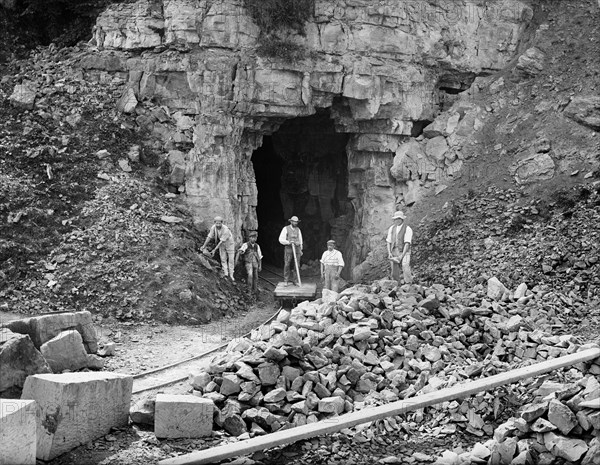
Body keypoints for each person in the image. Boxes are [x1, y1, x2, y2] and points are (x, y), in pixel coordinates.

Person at [201, 216, 236, 281]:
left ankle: (231, 275)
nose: (218, 225)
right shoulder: (213, 227)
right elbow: (209, 237)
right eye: (216, 223)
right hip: (221, 244)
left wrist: (214, 250)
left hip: (229, 244)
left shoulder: (226, 229)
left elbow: (221, 241)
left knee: (231, 260)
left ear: (222, 223)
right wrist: (204, 246)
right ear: (214, 223)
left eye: (219, 223)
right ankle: (226, 273)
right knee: (223, 258)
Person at [386, 210, 413, 284]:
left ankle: (409, 283)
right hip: (394, 250)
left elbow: (407, 244)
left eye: (399, 219)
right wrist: (389, 253)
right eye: (396, 219)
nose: (397, 220)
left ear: (402, 219)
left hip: (404, 250)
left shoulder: (408, 229)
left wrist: (402, 255)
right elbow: (389, 241)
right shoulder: (392, 228)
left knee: (405, 265)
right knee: (394, 269)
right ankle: (396, 284)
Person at [278, 215, 303, 286]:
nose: (295, 223)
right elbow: (281, 239)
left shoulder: (298, 230)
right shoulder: (285, 229)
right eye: (294, 222)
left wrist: (301, 248)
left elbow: (300, 240)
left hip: (297, 248)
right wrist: (288, 242)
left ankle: (295, 280)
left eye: (296, 222)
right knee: (287, 264)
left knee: (297, 265)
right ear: (291, 221)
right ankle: (286, 280)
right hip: (289, 248)